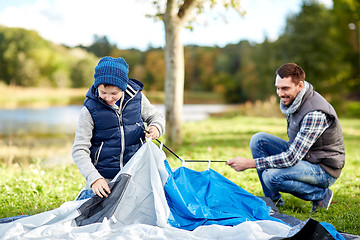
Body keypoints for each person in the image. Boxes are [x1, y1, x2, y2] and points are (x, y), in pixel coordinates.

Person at [226, 63, 345, 212]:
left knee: (271, 177)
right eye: (277, 87)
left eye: (285, 88)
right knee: (259, 140)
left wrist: (249, 163)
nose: (280, 93)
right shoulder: (296, 100)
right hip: (307, 156)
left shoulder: (315, 112)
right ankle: (272, 201)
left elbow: (291, 158)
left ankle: (321, 195)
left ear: (300, 86)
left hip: (324, 168)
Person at [72, 56, 165, 199]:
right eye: (103, 93)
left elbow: (156, 117)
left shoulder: (137, 99)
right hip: (104, 179)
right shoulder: (89, 110)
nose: (108, 98)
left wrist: (156, 127)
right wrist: (94, 178)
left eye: (114, 93)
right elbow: (79, 150)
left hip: (136, 175)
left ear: (123, 87)